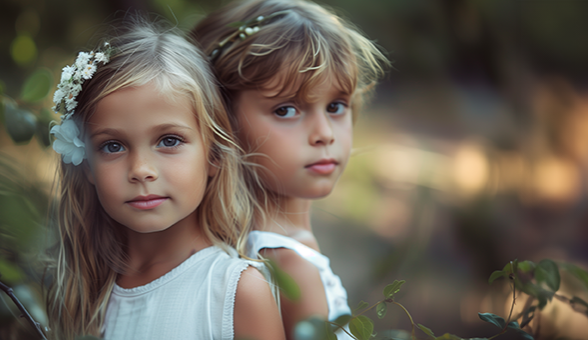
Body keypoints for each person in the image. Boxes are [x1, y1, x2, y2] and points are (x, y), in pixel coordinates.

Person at [44, 19, 283, 340]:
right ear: (86, 164)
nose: (141, 169)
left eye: (169, 140)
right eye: (112, 146)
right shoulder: (81, 292)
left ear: (214, 154)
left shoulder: (237, 291)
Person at [192, 0, 389, 337]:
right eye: (286, 110)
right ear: (222, 119)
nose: (324, 133)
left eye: (335, 106)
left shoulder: (245, 245)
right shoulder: (290, 266)